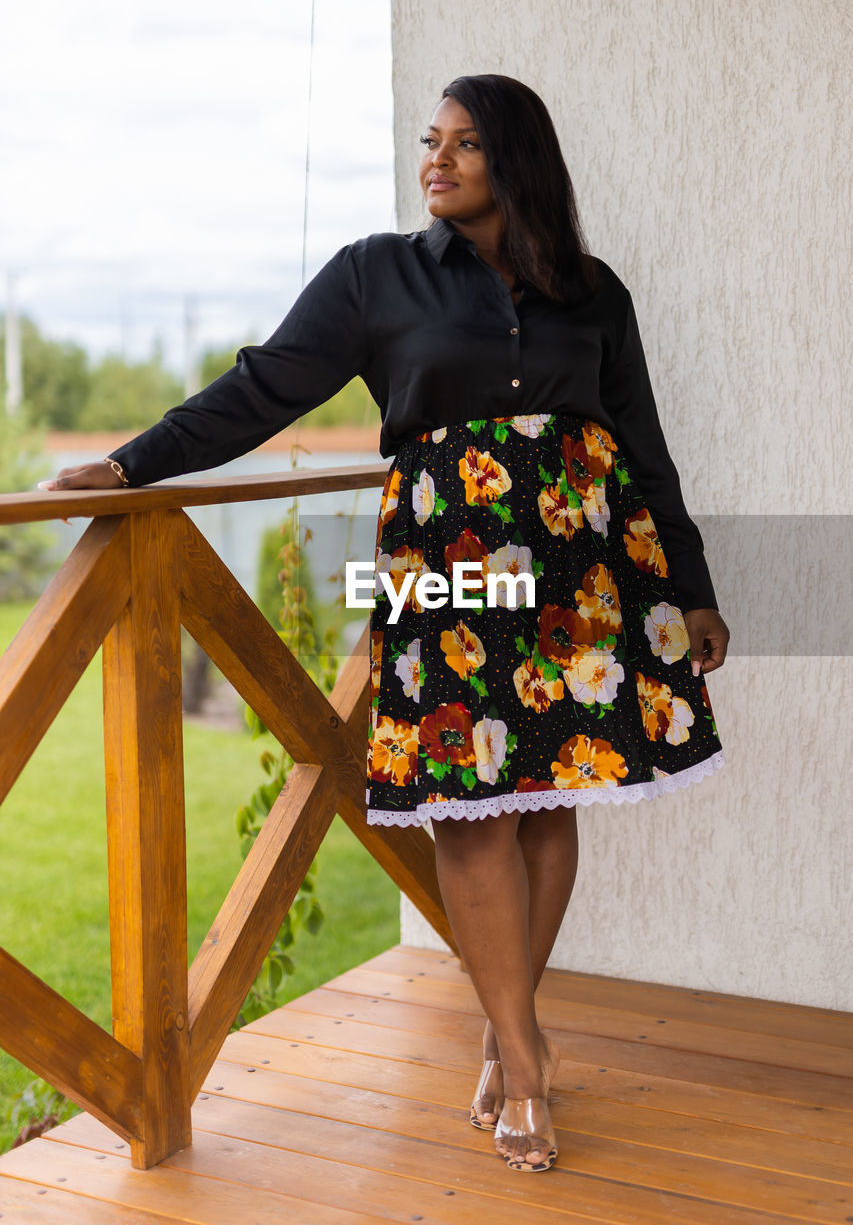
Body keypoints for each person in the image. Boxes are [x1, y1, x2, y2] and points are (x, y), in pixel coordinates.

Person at [40, 73, 730, 1173]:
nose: (436, 160)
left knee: (549, 796)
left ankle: (514, 1040)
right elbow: (260, 388)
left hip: (577, 575)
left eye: (463, 144)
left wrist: (690, 585)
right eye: (430, 142)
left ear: (517, 161)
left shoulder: (592, 292)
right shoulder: (376, 274)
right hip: (448, 574)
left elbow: (641, 445)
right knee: (470, 806)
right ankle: (521, 1048)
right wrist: (134, 461)